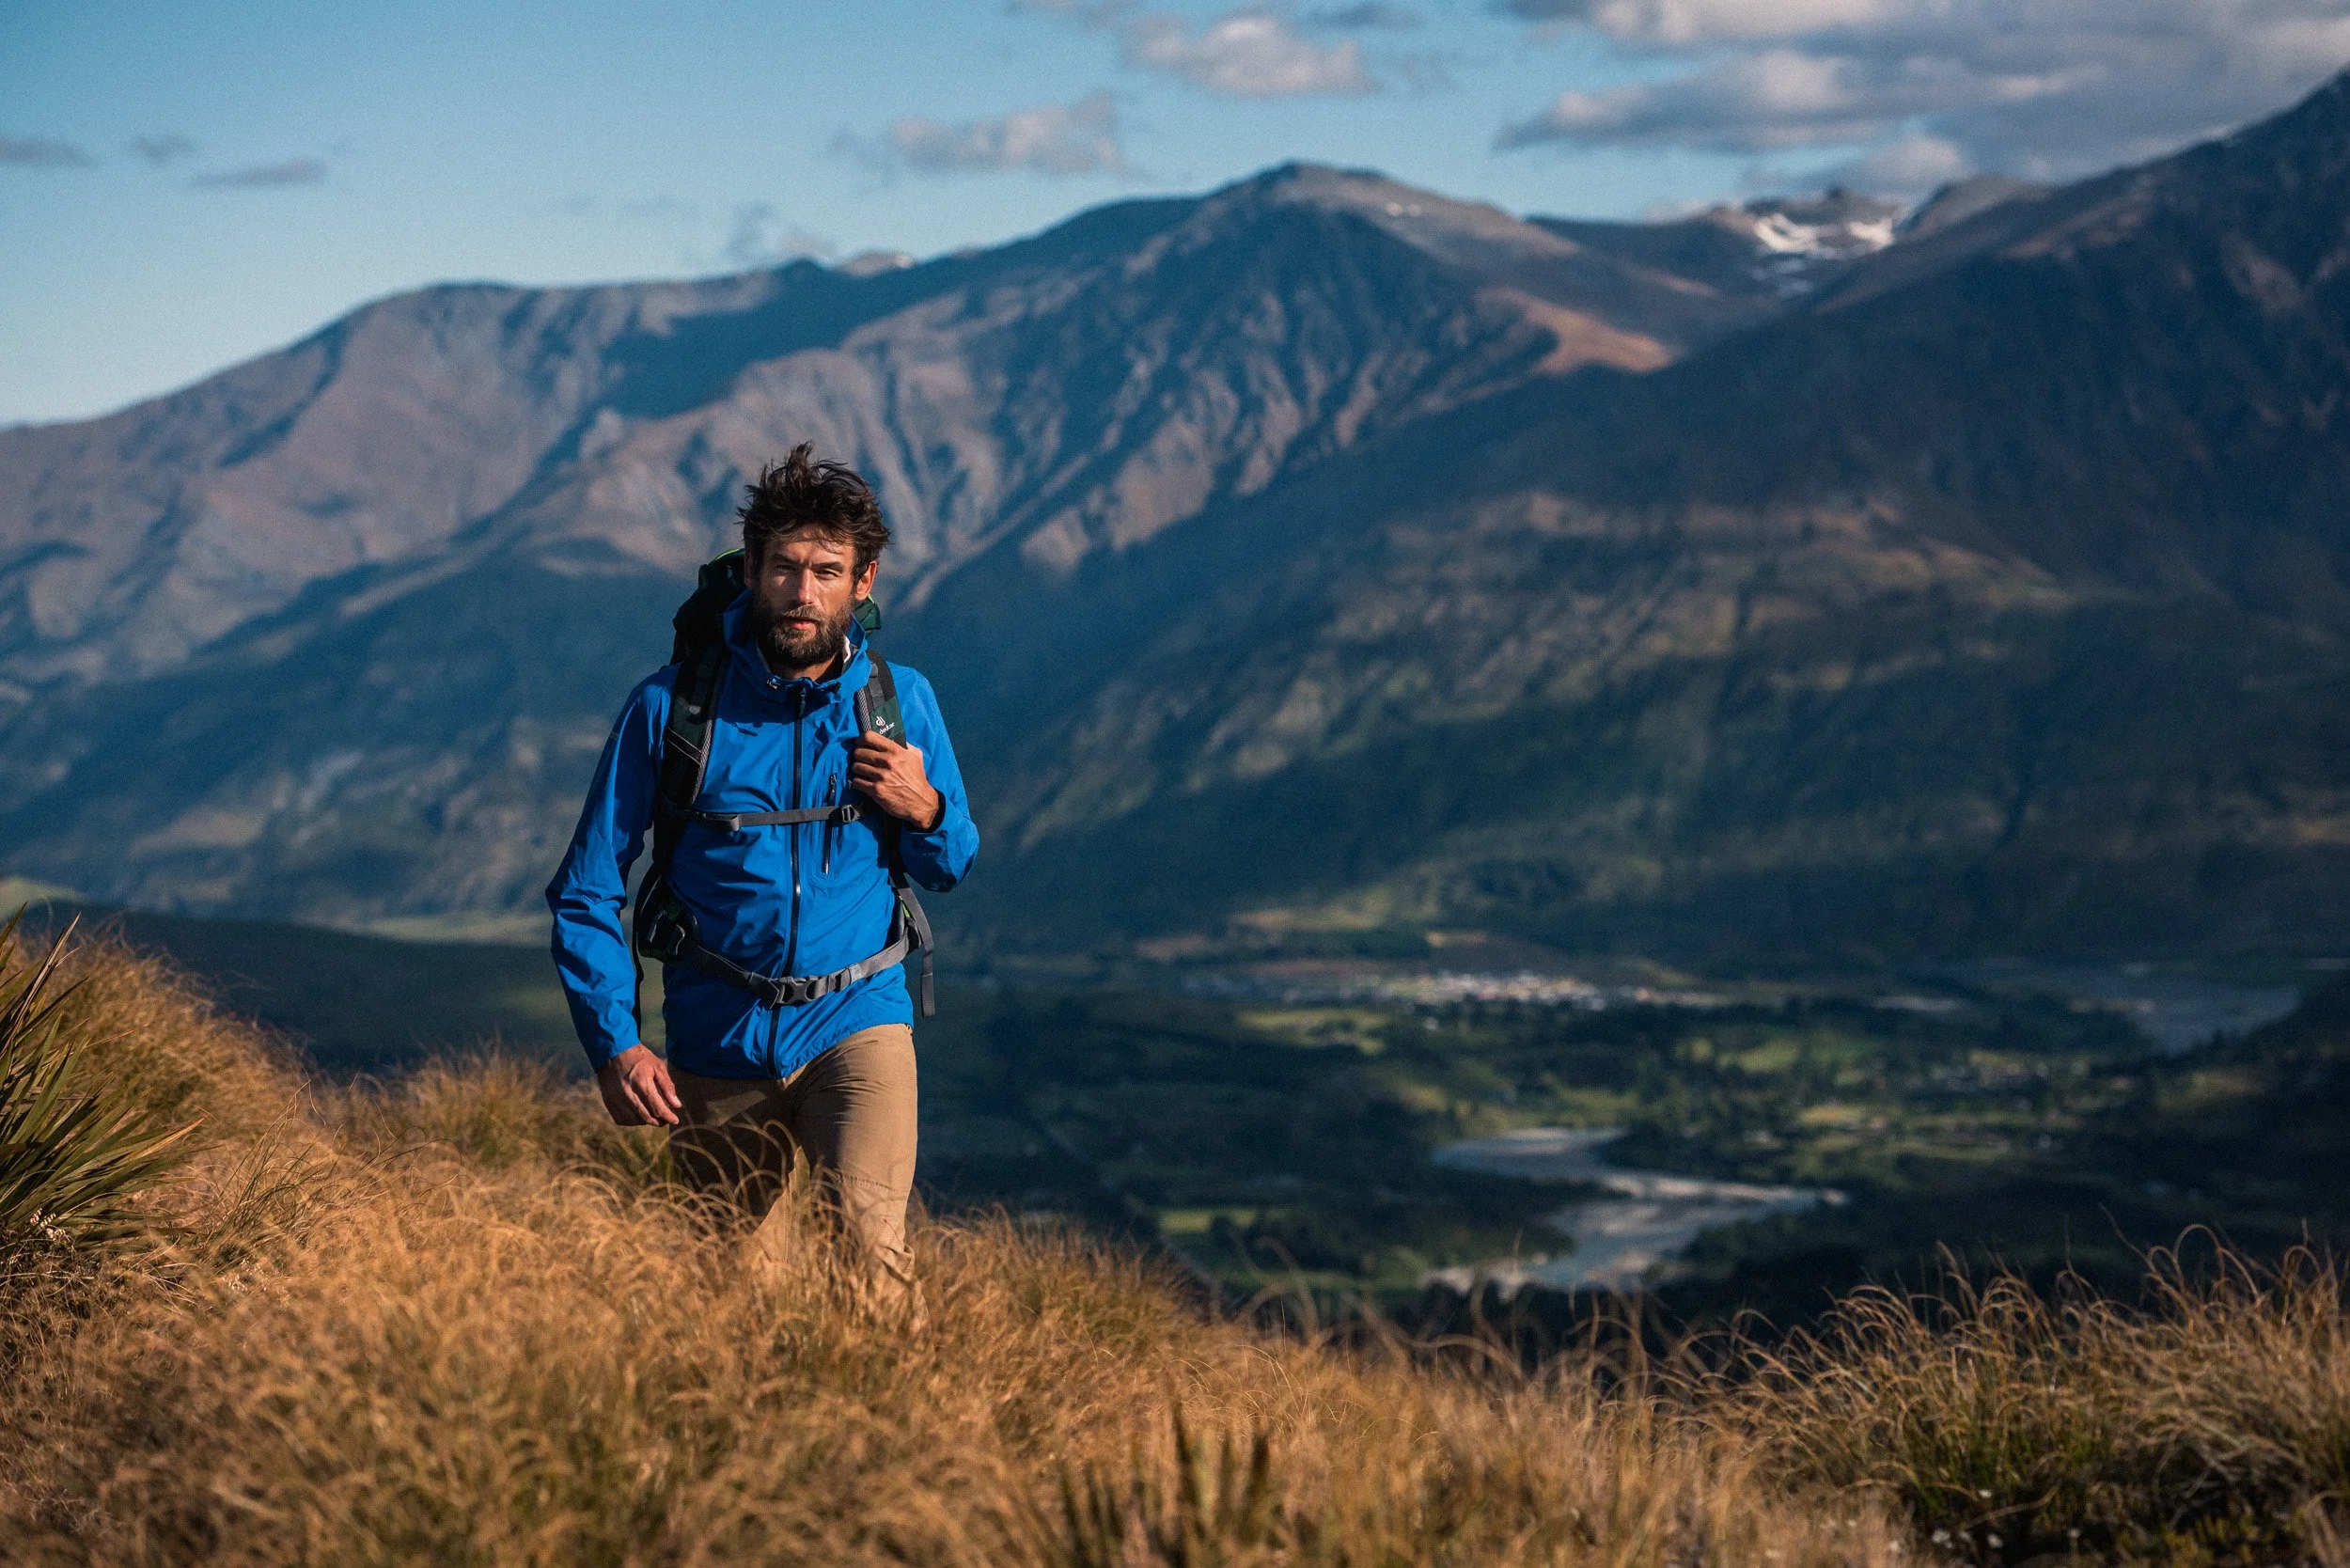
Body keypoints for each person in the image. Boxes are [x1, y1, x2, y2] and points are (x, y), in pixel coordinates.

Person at [545, 445, 978, 1294]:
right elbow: (587, 887)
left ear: (864, 582)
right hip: (716, 1037)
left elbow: (950, 863)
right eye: (783, 567)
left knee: (870, 1265)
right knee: (731, 1291)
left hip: (860, 1018)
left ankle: (902, 1428)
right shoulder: (669, 709)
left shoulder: (901, 703)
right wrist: (615, 1045)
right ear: (749, 571)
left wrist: (925, 808)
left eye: (826, 571)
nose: (802, 591)